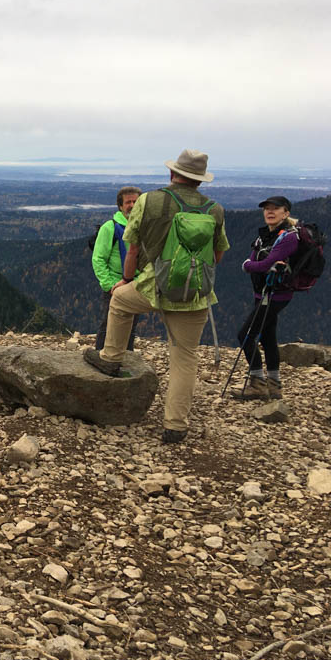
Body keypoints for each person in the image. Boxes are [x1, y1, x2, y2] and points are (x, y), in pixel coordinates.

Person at [83, 149, 229, 444]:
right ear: (200, 180)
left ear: (173, 173)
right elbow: (218, 253)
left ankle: (111, 357)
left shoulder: (149, 200)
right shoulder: (214, 209)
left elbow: (133, 248)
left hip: (154, 286)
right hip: (196, 294)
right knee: (185, 358)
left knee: (120, 301)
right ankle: (175, 426)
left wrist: (125, 280)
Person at [233, 196, 298, 400]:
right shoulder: (265, 236)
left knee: (245, 335)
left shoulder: (288, 237)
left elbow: (259, 264)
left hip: (275, 295)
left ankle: (258, 383)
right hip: (262, 293)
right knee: (269, 338)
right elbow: (260, 262)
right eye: (266, 209)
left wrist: (246, 266)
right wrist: (254, 265)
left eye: (275, 209)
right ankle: (274, 387)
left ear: (286, 213)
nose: (269, 212)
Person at [92, 186, 141, 350]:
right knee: (108, 326)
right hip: (115, 284)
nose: (132, 205)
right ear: (120, 206)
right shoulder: (110, 227)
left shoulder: (143, 227)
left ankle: (126, 361)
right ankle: (100, 359)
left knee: (131, 327)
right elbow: (98, 258)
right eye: (128, 202)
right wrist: (108, 285)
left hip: (135, 284)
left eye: (136, 201)